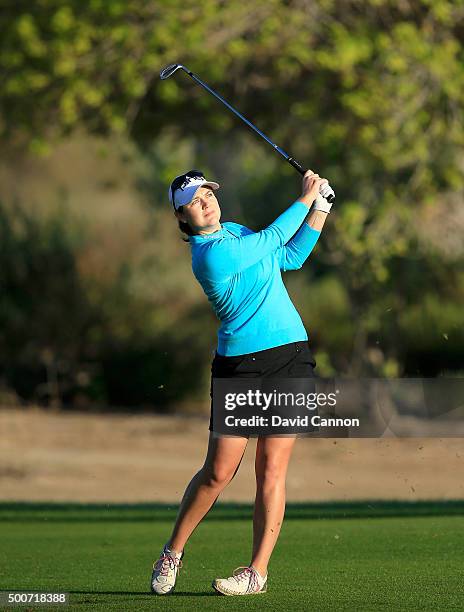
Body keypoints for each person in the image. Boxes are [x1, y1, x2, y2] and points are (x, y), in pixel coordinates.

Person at [150, 168, 332, 596]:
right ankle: (173, 552)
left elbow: (288, 257)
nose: (206, 202)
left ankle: (256, 573)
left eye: (207, 194)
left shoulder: (233, 232)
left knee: (271, 470)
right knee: (218, 472)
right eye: (194, 201)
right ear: (182, 216)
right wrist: (305, 198)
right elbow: (271, 240)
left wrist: (320, 209)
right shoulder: (209, 255)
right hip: (241, 368)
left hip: (291, 357)